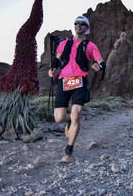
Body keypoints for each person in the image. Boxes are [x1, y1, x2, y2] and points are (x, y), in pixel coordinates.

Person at [48, 15, 105, 163]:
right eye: (76, 23)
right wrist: (53, 69)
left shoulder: (91, 46)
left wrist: (98, 66)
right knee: (59, 118)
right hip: (64, 81)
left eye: (82, 24)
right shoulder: (64, 43)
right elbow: (57, 58)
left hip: (80, 80)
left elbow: (101, 62)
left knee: (76, 114)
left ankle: (69, 151)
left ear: (87, 29)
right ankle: (69, 122)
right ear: (74, 26)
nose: (79, 26)